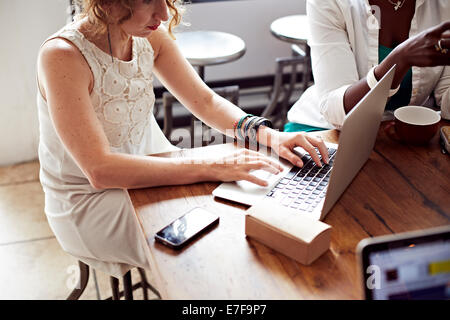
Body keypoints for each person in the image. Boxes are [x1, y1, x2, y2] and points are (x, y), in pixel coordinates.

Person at [36, 0, 329, 279]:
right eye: (148, 1)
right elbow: (100, 171)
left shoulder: (149, 36)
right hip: (90, 200)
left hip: (156, 167)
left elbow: (206, 102)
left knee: (234, 218)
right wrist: (210, 165)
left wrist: (269, 135)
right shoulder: (62, 56)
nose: (163, 14)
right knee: (204, 255)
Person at [286, 0, 450, 132]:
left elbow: (446, 99)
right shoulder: (331, 3)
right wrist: (399, 59)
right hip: (326, 131)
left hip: (404, 135)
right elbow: (336, 111)